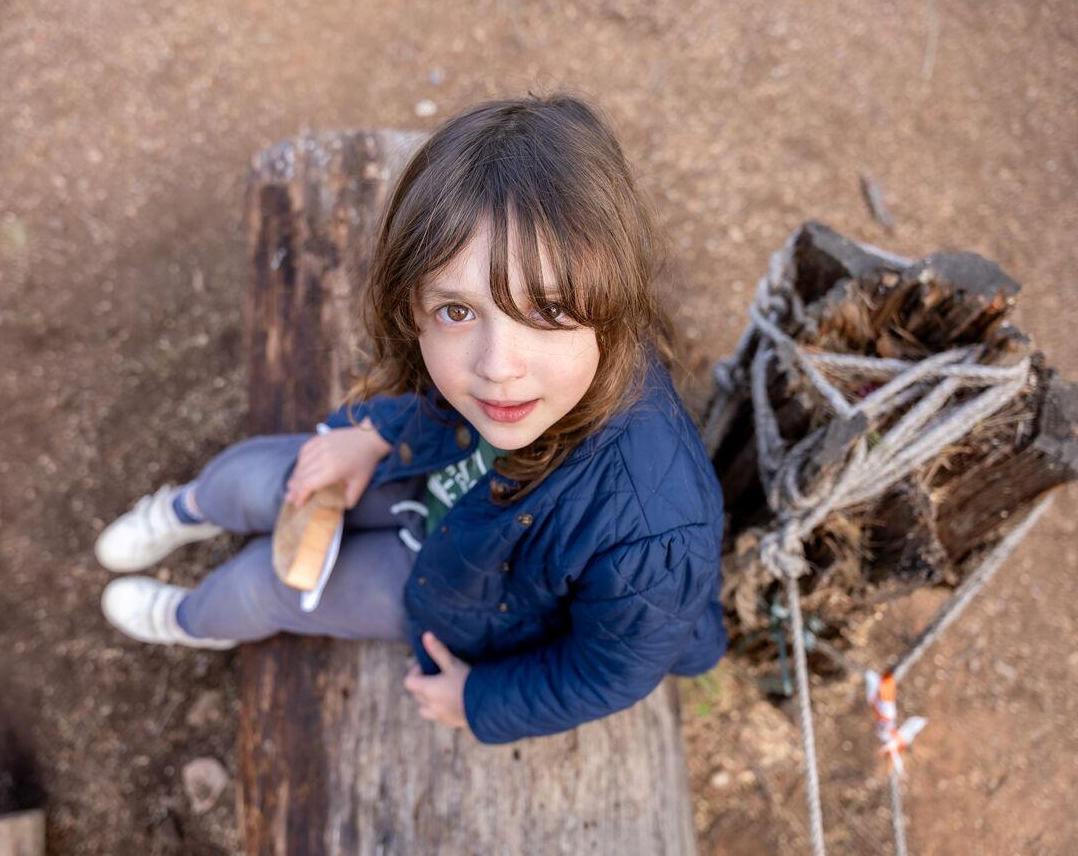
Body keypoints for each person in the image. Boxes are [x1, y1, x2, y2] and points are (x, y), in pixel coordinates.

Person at [95, 92, 727, 745]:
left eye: (547, 311)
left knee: (265, 587)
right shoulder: (512, 380)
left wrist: (479, 699)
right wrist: (376, 432)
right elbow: (431, 394)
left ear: (615, 302)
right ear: (413, 305)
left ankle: (187, 618)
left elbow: (608, 672)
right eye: (458, 311)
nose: (497, 367)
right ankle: (184, 510)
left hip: (469, 587)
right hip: (428, 462)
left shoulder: (653, 533)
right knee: (253, 480)